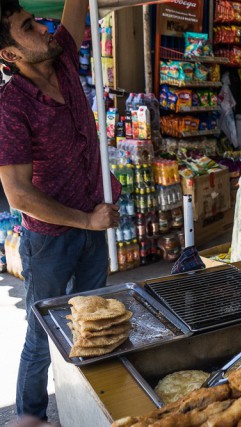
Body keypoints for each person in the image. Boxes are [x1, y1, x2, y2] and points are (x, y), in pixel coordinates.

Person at [0, 0, 121, 421]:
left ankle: (96, 399)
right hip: (50, 239)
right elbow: (17, 193)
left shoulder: (63, 56)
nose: (43, 28)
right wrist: (86, 219)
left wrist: (95, 212)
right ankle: (31, 413)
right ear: (10, 54)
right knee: (42, 330)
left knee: (98, 321)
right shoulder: (11, 105)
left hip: (93, 222)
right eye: (28, 27)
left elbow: (76, 8)